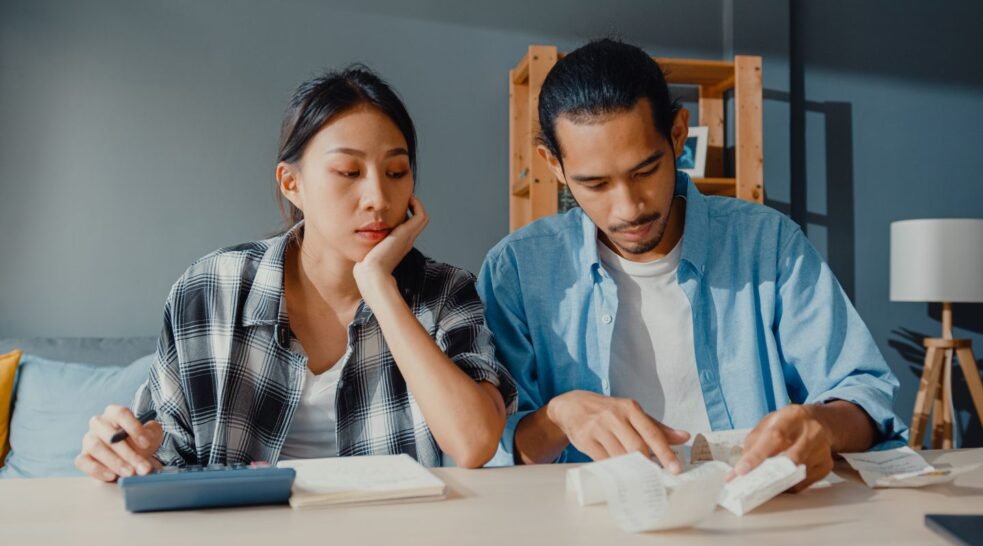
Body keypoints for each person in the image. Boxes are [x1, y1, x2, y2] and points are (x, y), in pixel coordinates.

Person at [479, 39, 906, 491]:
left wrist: (821, 425)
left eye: (645, 171)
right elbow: (489, 448)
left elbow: (864, 394)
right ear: (555, 166)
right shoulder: (518, 271)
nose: (628, 208)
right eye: (596, 184)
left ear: (679, 135)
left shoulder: (767, 244)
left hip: (761, 523)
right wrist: (559, 417)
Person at [76, 65, 516, 482]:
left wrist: (380, 287)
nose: (378, 198)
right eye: (348, 172)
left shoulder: (445, 291)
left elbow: (473, 442)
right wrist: (125, 450)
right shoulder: (211, 289)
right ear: (292, 183)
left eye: (396, 172)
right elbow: (163, 448)